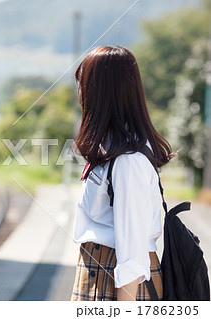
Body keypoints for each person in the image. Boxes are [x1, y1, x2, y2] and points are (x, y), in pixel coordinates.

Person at [70, 46, 175, 301]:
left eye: (85, 85)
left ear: (102, 92)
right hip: (99, 273)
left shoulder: (130, 161)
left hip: (117, 284)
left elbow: (132, 256)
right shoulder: (112, 150)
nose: (80, 94)